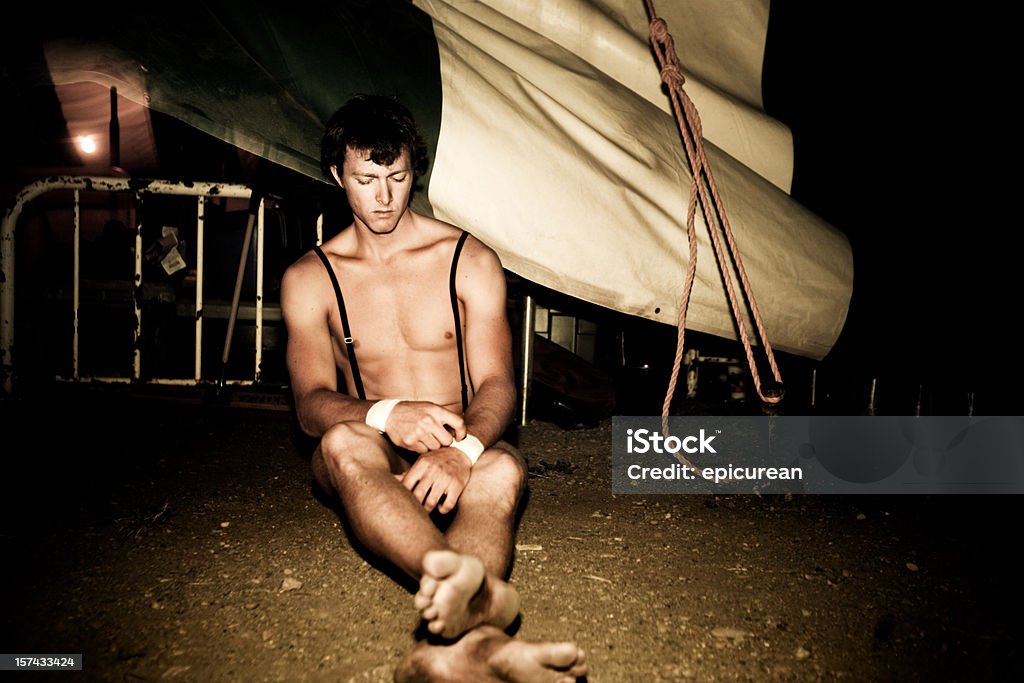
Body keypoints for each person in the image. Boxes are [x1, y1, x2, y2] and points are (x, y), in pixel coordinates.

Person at [280, 94, 587, 683]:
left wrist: (460, 451)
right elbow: (311, 404)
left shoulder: (468, 259)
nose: (383, 197)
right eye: (366, 179)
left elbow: (498, 383)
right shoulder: (309, 278)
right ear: (336, 175)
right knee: (344, 443)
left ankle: (471, 645)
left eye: (396, 177)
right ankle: (457, 585)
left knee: (501, 471)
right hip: (373, 447)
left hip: (461, 443)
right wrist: (388, 414)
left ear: (413, 172)